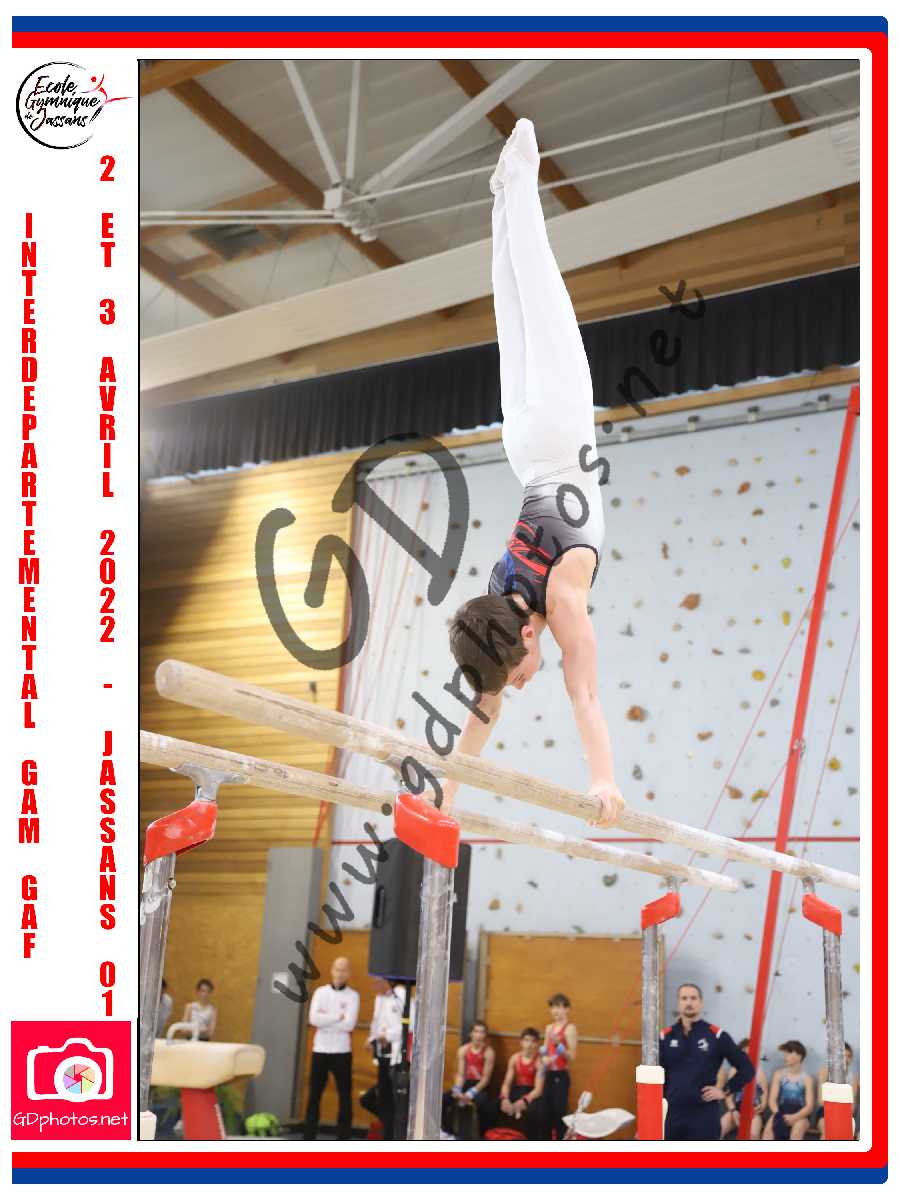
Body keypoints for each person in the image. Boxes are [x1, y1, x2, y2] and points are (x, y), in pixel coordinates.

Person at [444, 117, 624, 830]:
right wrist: (447, 795)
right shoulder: (496, 605)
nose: (517, 687)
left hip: (558, 427)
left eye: (513, 677)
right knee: (511, 311)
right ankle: (502, 195)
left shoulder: (562, 599)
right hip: (521, 445)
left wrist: (604, 781)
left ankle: (520, 175)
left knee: (539, 287)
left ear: (522, 641)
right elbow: (483, 706)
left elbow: (585, 697)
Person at [659, 983, 755, 1140]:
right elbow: (657, 1076)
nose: (689, 1002)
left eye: (693, 998)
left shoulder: (716, 1036)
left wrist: (724, 1091)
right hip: (672, 1114)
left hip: (703, 1115)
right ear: (678, 1003)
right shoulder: (665, 1037)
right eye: (684, 998)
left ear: (701, 1003)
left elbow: (747, 1069)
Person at [303, 956, 360, 1141]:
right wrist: (338, 1017)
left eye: (344, 970)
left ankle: (343, 1139)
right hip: (320, 1050)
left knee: (344, 1096)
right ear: (331, 970)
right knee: (314, 1095)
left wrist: (326, 1018)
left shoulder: (353, 996)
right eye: (337, 969)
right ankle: (308, 1137)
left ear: (348, 973)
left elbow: (349, 1024)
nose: (340, 973)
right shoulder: (320, 993)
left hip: (342, 1051)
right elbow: (313, 1019)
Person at [360, 978, 407, 1140]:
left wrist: (387, 1035)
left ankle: (396, 1135)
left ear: (386, 982)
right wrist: (371, 1039)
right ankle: (388, 1135)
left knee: (395, 1101)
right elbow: (376, 1023)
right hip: (382, 1055)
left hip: (397, 1058)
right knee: (383, 1100)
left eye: (376, 983)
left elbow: (408, 1025)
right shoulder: (379, 999)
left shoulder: (400, 995)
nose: (373, 986)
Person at [442, 1020, 496, 1138]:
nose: (479, 1035)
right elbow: (461, 1074)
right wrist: (457, 1090)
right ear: (471, 1034)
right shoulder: (463, 1050)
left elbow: (486, 1079)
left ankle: (483, 1136)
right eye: (476, 1031)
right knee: (444, 1098)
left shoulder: (489, 1052)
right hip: (465, 1082)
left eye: (482, 1032)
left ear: (485, 1035)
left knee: (484, 1104)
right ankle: (447, 1131)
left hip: (480, 1086)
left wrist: (470, 1094)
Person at [498, 1026, 545, 1139]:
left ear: (537, 1044)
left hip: (532, 1093)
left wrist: (524, 1101)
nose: (529, 1044)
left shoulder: (540, 1062)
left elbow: (539, 1090)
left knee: (534, 1112)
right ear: (521, 1042)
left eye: (533, 1041)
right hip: (518, 1089)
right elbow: (506, 1083)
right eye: (526, 1040)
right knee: (495, 1107)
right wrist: (504, 1098)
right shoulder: (514, 1059)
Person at [541, 993, 577, 1140]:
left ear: (566, 1009)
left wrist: (558, 1045)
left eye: (558, 1007)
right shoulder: (549, 1028)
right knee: (545, 1113)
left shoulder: (570, 1029)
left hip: (561, 1076)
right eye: (552, 1007)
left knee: (559, 1113)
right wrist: (544, 1057)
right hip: (548, 1074)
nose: (555, 1011)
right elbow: (545, 1050)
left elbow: (572, 1056)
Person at [763, 1040, 815, 1141]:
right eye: (785, 1053)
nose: (785, 1056)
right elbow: (772, 1100)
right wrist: (779, 1115)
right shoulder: (779, 1074)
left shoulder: (807, 1079)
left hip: (801, 1115)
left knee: (796, 1134)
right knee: (767, 1133)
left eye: (789, 1053)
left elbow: (809, 1106)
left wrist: (795, 1117)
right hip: (781, 1112)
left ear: (799, 1056)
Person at [719, 1037, 767, 1139]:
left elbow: (764, 1099)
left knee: (752, 1136)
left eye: (751, 1051)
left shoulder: (760, 1073)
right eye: (745, 1052)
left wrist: (759, 1108)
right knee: (717, 1130)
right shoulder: (734, 1070)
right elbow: (728, 1094)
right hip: (736, 1109)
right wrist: (733, 1110)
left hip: (754, 1112)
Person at [815, 1042, 859, 1137]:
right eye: (842, 1056)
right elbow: (821, 1100)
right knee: (827, 1134)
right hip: (825, 1112)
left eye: (848, 1056)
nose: (845, 1059)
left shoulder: (853, 1078)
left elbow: (852, 1104)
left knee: (844, 1134)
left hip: (844, 1113)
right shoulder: (825, 1071)